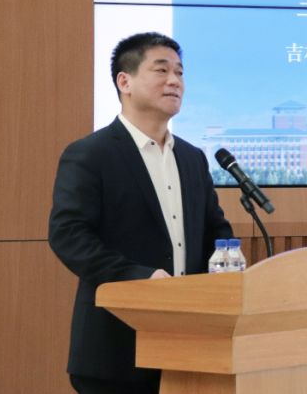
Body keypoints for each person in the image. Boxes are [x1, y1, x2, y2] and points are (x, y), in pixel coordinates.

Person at [49, 32, 233, 394]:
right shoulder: (91, 154)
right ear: (125, 82)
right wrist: (140, 277)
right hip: (117, 349)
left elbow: (216, 230)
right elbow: (68, 234)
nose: (175, 81)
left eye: (180, 72)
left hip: (192, 347)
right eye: (161, 70)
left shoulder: (192, 158)